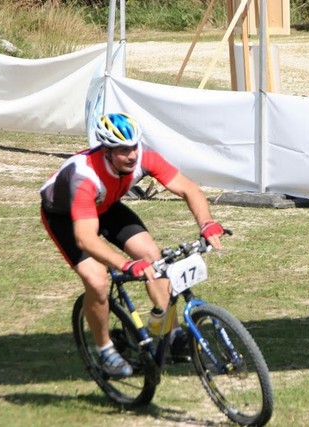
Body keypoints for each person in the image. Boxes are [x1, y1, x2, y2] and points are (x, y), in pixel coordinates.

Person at [40, 112, 225, 378]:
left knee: (153, 257)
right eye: (123, 150)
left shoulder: (144, 156)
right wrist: (125, 264)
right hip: (65, 218)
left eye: (134, 147)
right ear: (106, 152)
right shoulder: (83, 177)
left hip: (106, 206)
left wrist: (206, 223)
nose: (132, 155)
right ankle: (105, 350)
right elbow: (85, 238)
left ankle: (171, 334)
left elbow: (189, 189)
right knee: (97, 280)